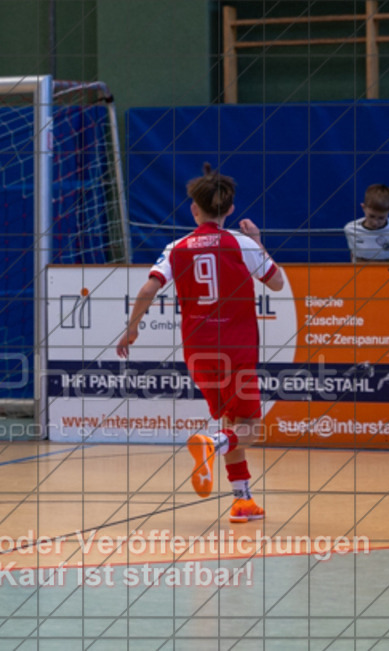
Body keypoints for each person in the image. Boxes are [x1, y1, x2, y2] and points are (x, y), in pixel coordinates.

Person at [116, 163, 284, 523]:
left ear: (195, 209)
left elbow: (149, 288)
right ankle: (215, 445)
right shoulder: (241, 243)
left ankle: (242, 500)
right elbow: (277, 283)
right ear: (231, 209)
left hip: (197, 349)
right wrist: (258, 242)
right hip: (236, 347)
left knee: (230, 417)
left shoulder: (178, 247)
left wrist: (132, 328)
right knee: (250, 428)